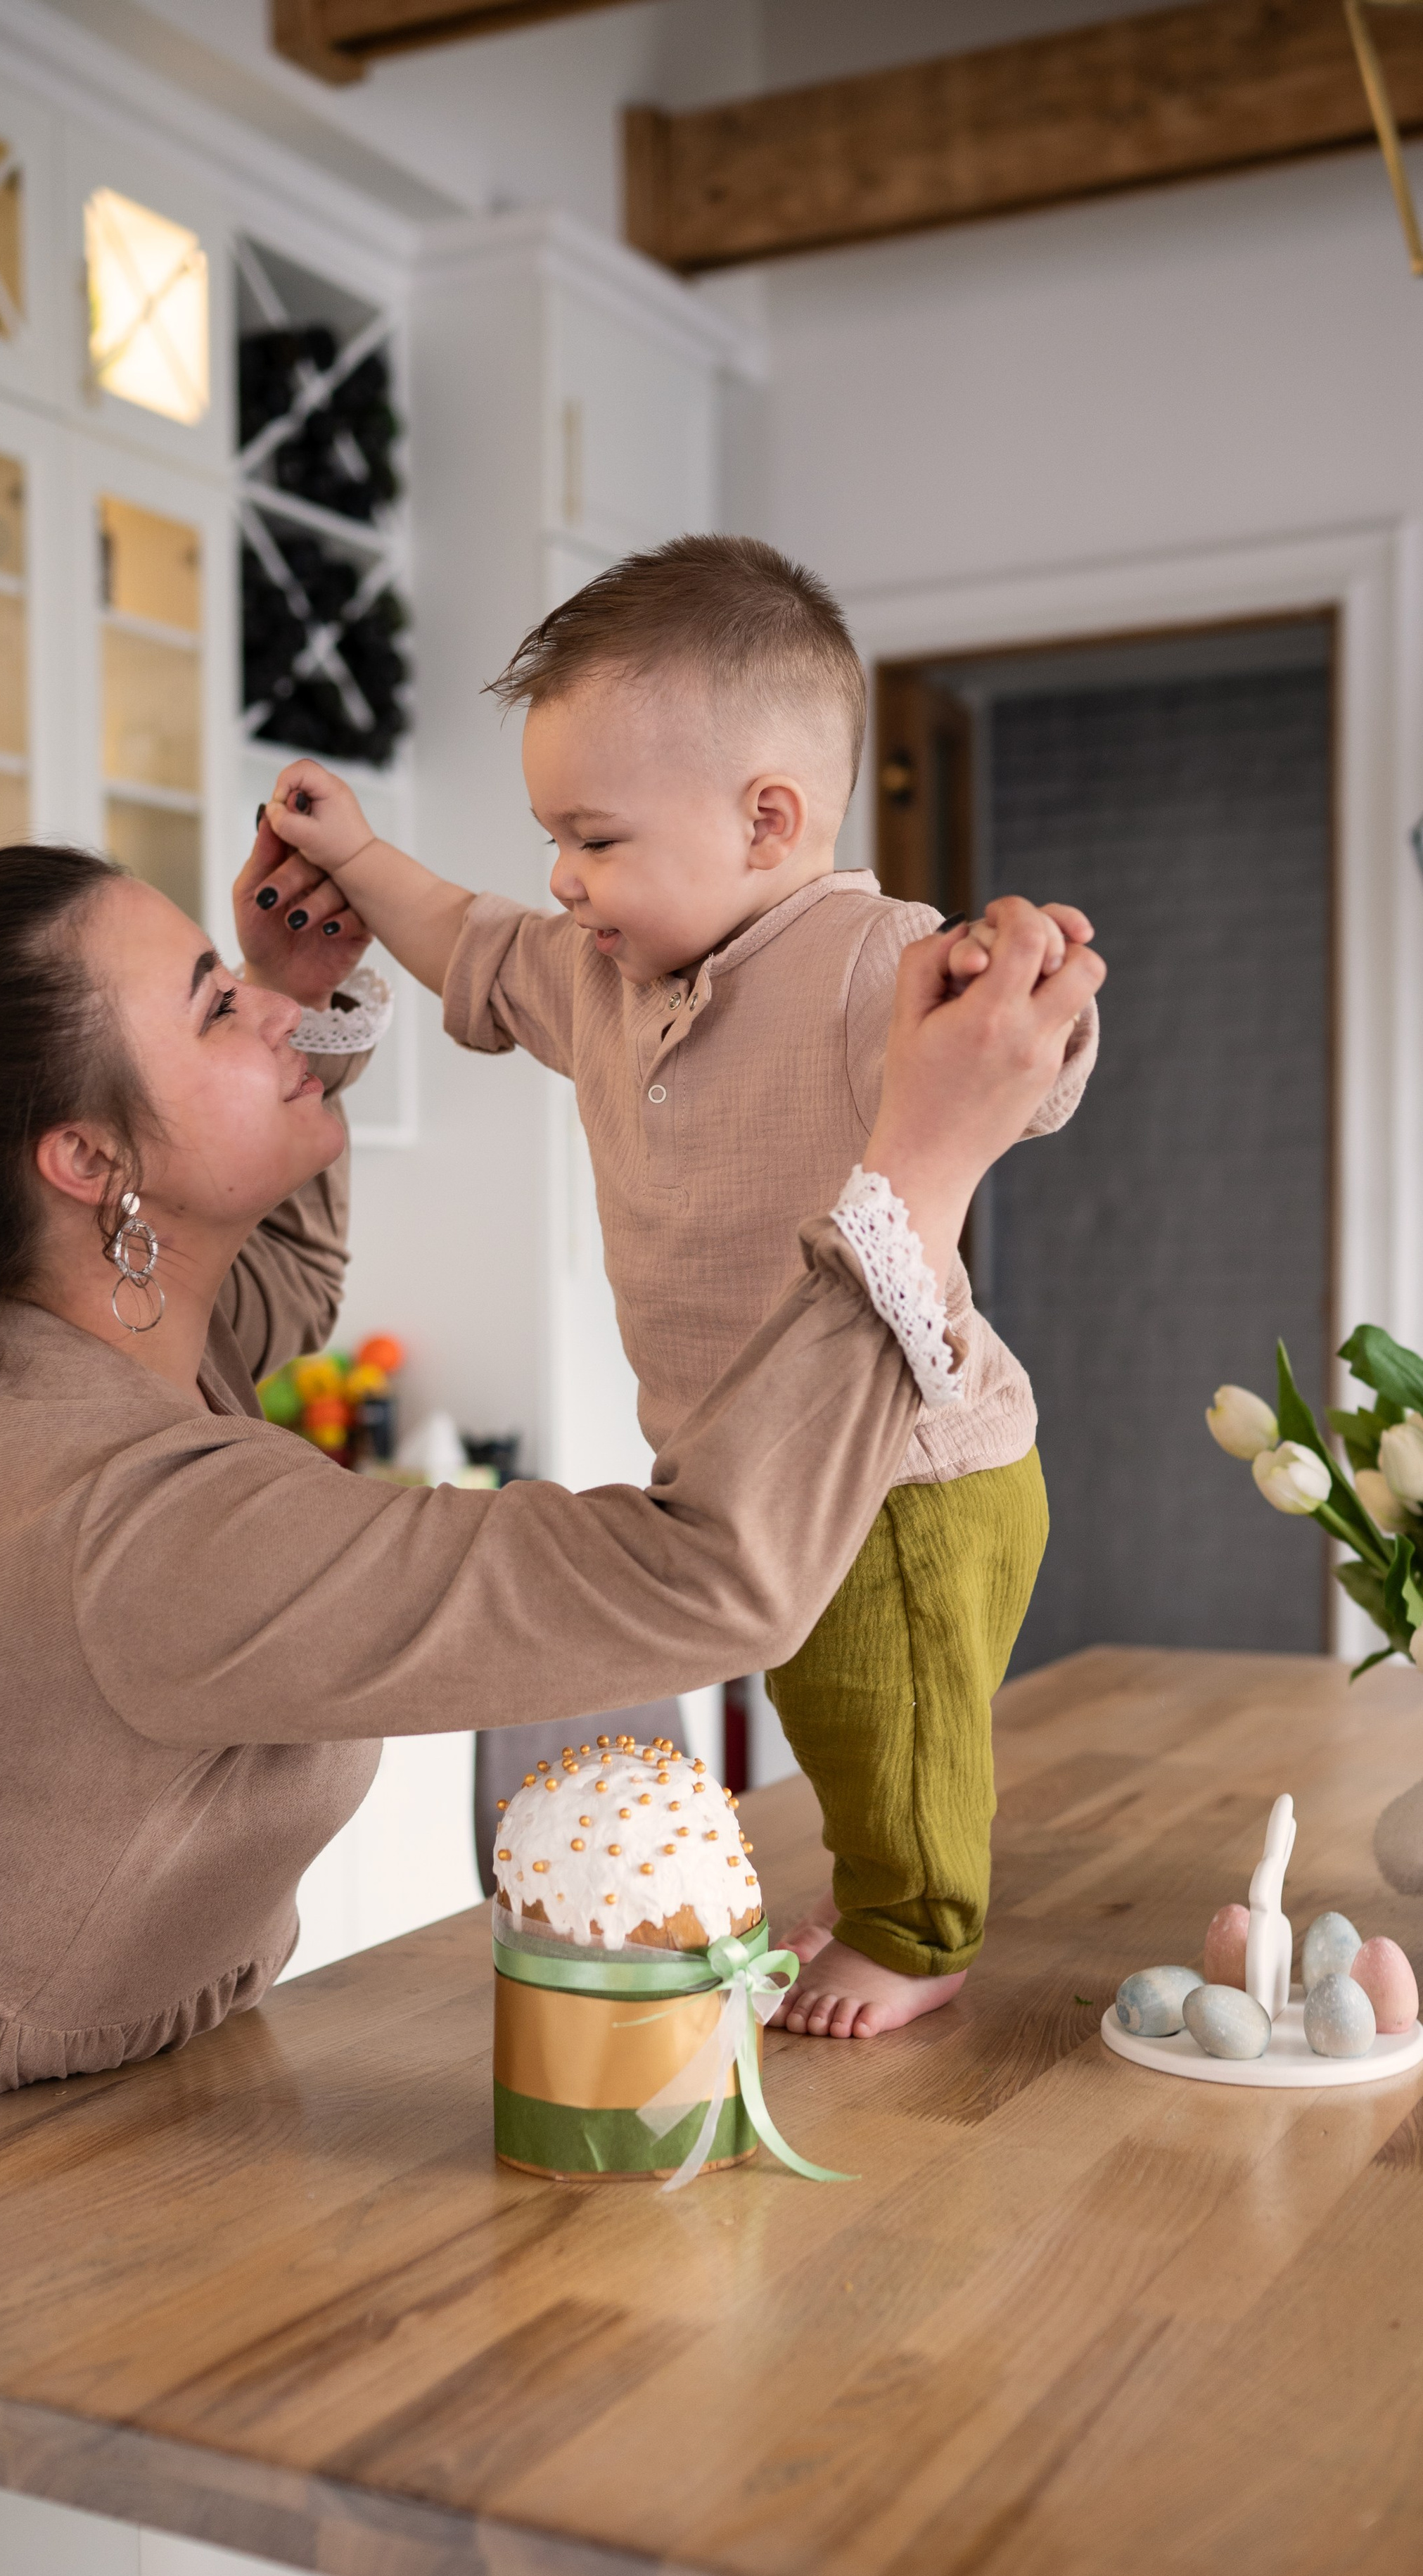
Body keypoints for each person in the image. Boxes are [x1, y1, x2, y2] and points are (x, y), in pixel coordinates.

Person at [0, 827, 1099, 2576]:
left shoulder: (31, 1330)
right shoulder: (127, 1520)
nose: (269, 1018)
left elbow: (255, 1301)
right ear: (86, 1164)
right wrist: (916, 1177)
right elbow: (710, 1577)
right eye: (209, 1007)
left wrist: (299, 996)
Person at [253, 536, 1099, 2041]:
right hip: (745, 1475)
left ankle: (918, 1936)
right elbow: (464, 938)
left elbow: (1021, 1084)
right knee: (830, 1710)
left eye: (594, 838)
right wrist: (361, 857)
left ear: (767, 820)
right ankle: (883, 1882)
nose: (562, 878)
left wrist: (1023, 993)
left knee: (886, 1710)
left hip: (899, 1468)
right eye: (552, 842)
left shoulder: (873, 958)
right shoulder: (599, 977)